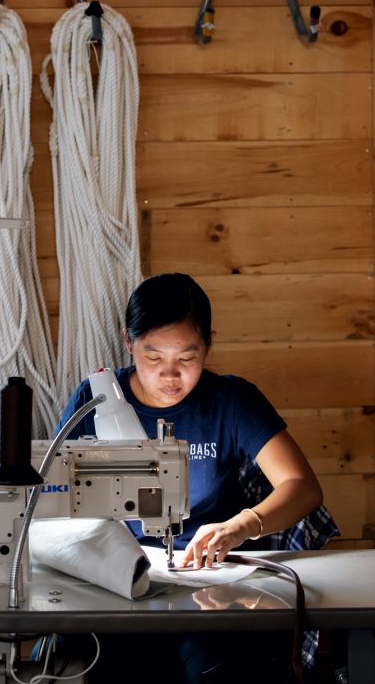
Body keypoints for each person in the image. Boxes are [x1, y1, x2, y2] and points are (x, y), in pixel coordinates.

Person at [57, 272, 324, 683]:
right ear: (128, 341)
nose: (170, 376)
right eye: (152, 358)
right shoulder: (95, 402)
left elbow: (302, 487)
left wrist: (241, 526)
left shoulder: (231, 402)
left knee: (216, 668)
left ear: (209, 345)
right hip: (113, 583)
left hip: (209, 585)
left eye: (186, 358)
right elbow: (53, 491)